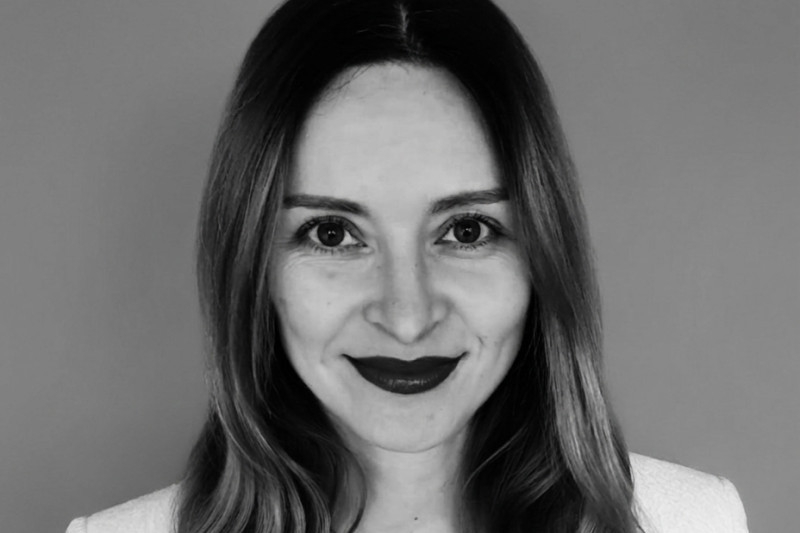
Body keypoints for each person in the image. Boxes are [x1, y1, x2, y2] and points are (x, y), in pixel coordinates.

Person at [66, 0, 749, 532]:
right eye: (333, 233)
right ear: (253, 268)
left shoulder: (697, 521)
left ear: (543, 254)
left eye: (466, 230)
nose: (407, 315)